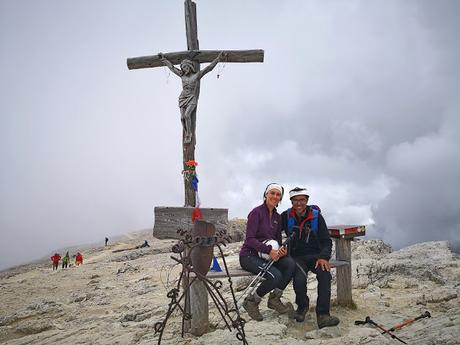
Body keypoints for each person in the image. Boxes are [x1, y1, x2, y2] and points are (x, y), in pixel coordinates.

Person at [281, 187, 340, 328]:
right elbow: (274, 232)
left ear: (307, 200)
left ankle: (323, 315)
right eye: (295, 200)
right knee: (299, 279)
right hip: (296, 257)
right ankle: (302, 307)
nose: (299, 203)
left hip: (316, 256)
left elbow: (326, 240)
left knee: (325, 275)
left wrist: (324, 257)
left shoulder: (316, 217)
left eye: (302, 200)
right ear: (291, 201)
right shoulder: (285, 216)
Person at [239, 183, 296, 321]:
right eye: (272, 193)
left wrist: (282, 251)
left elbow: (277, 240)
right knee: (275, 275)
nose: (275, 197)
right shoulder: (256, 213)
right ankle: (252, 301)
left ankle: (274, 299)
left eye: (278, 195)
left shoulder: (277, 217)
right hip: (249, 256)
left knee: (290, 265)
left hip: (267, 254)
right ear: (266, 194)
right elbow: (250, 239)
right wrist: (269, 250)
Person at [158, 51, 226, 143]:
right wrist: (164, 59)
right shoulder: (182, 75)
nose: (184, 69)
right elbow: (172, 68)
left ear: (190, 67)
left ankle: (189, 134)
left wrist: (218, 59)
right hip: (182, 97)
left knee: (187, 115)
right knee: (182, 118)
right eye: (182, 67)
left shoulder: (196, 75)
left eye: (185, 67)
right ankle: (186, 132)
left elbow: (208, 68)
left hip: (192, 98)